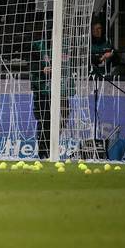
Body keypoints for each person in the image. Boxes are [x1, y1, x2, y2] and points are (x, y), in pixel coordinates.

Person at [29, 31, 74, 159]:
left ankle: (53, 144)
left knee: (64, 115)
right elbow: (31, 64)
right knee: (44, 120)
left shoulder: (65, 46)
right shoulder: (37, 46)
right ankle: (44, 152)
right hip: (42, 89)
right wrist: (42, 70)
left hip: (61, 89)